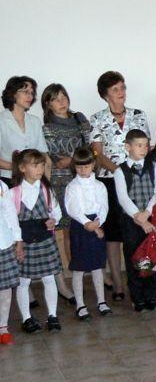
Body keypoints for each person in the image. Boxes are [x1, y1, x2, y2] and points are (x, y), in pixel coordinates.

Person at [90, 71, 150, 302]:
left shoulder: (139, 115)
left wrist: (133, 172)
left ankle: (144, 281)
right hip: (110, 180)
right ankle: (117, 284)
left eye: (123, 87)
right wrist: (120, 172)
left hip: (139, 180)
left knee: (139, 231)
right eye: (115, 89)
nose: (121, 92)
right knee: (114, 235)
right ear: (105, 94)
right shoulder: (97, 118)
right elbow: (98, 153)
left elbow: (146, 146)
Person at [42, 83, 92, 305]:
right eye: (55, 98)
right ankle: (74, 275)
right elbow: (56, 159)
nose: (62, 101)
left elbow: (92, 149)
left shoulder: (80, 119)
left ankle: (95, 271)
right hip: (60, 182)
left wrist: (74, 159)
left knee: (88, 224)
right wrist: (77, 158)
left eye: (63, 96)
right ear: (48, 104)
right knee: (68, 229)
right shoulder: (47, 128)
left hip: (84, 179)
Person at [10, 149, 63, 333]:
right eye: (35, 165)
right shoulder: (14, 193)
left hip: (45, 240)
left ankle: (52, 316)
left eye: (42, 165)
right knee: (23, 281)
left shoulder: (47, 190)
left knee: (49, 278)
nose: (40, 169)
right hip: (24, 243)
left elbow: (56, 212)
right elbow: (10, 220)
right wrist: (17, 242)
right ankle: (26, 318)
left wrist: (53, 220)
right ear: (22, 168)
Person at [113, 129, 156, 312]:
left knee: (150, 257)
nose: (143, 149)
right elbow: (123, 198)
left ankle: (151, 296)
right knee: (134, 258)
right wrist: (138, 216)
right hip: (131, 221)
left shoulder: (154, 167)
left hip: (151, 219)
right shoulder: (120, 171)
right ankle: (137, 297)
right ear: (128, 147)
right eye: (139, 145)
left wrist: (148, 212)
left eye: (146, 145)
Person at [64, 147, 112, 319]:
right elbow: (73, 208)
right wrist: (88, 223)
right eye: (79, 167)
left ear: (93, 165)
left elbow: (104, 206)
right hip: (80, 226)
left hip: (96, 223)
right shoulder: (72, 186)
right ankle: (80, 304)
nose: (83, 170)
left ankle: (101, 301)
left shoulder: (99, 185)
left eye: (86, 166)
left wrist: (98, 222)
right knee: (79, 268)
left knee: (97, 266)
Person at [0, 76, 49, 183]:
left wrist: (46, 184)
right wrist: (18, 168)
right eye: (26, 92)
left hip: (33, 181)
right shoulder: (1, 120)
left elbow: (43, 154)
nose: (30, 96)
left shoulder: (35, 121)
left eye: (32, 93)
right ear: (13, 93)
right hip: (7, 180)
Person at [0, 179, 21, 345]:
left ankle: (3, 326)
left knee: (5, 287)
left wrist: (18, 239)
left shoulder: (1, 186)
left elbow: (10, 212)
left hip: (3, 241)